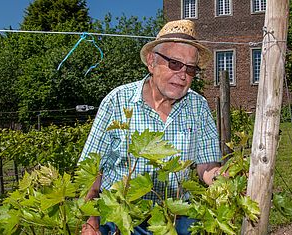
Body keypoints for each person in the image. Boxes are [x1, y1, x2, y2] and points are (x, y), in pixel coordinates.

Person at [80, 19, 222, 235]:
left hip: (176, 216)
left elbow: (207, 166)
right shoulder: (118, 101)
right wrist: (90, 223)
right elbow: (91, 169)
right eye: (175, 64)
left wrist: (228, 180)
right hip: (122, 217)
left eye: (191, 69)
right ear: (151, 62)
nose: (183, 75)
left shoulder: (198, 106)